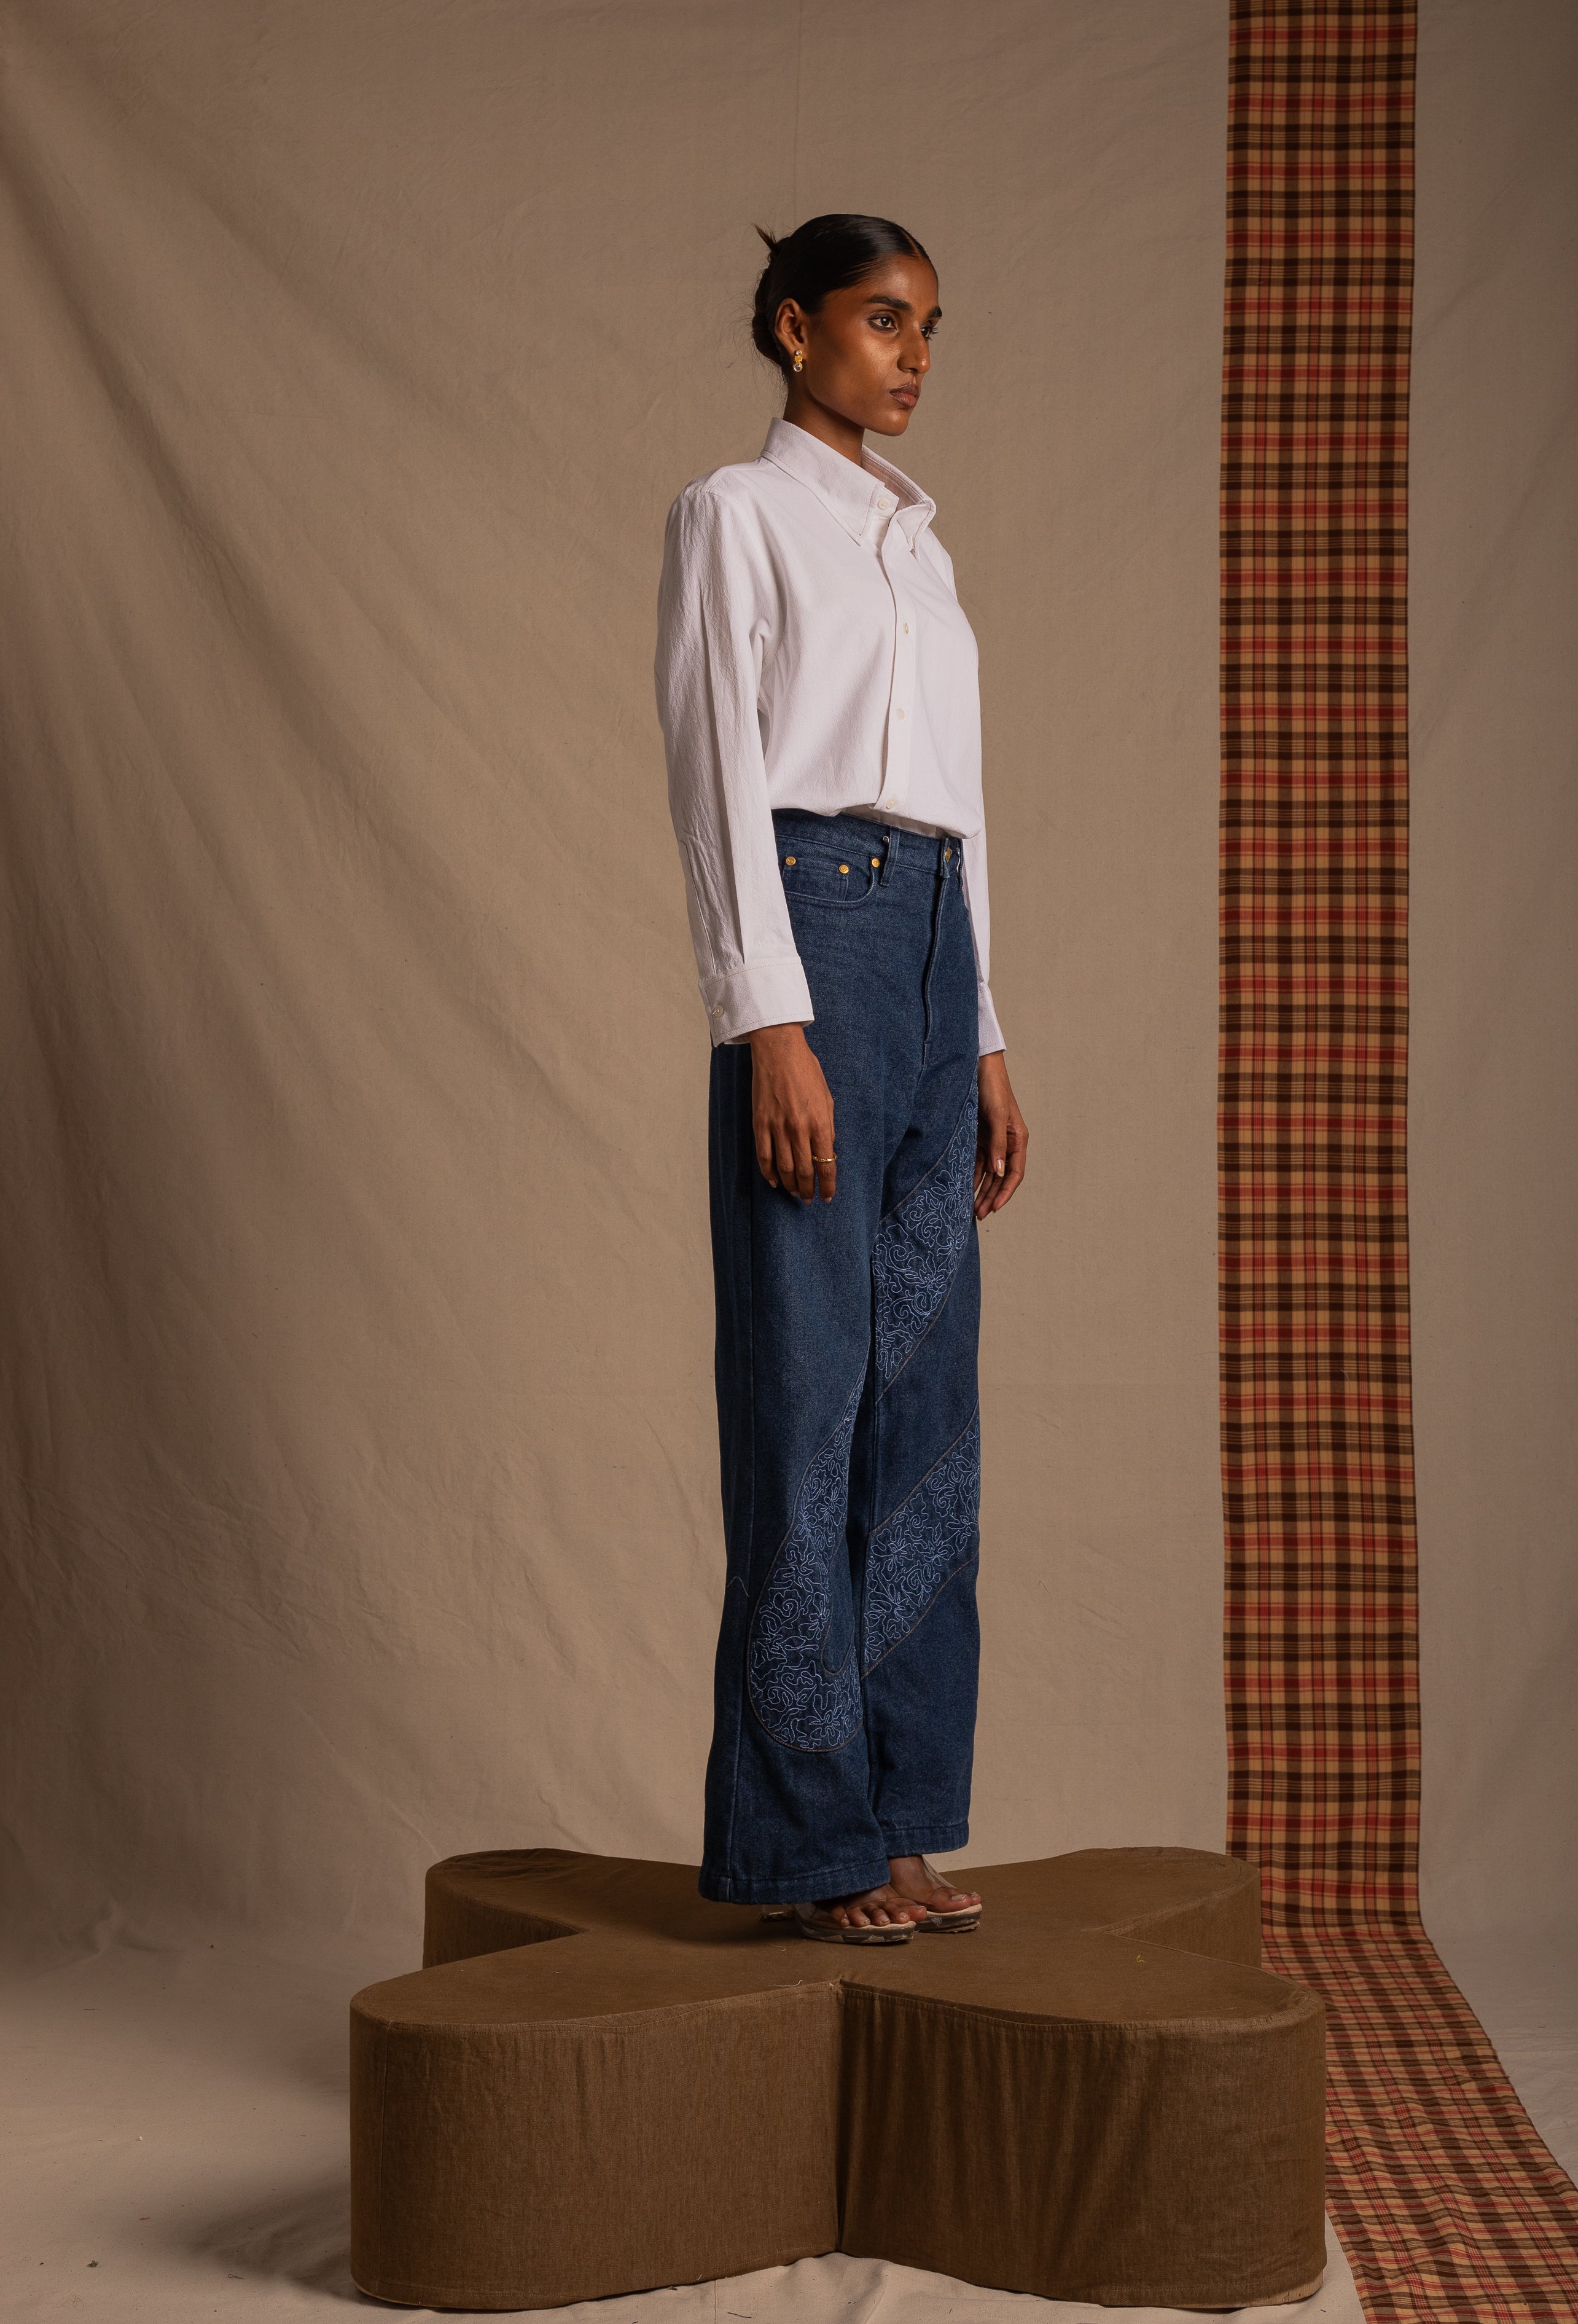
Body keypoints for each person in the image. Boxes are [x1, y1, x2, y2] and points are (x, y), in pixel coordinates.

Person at [654, 215, 1028, 1944]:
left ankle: (899, 1827)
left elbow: (958, 811)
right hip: (817, 931)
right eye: (886, 321)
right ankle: (806, 1840)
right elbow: (718, 772)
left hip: (937, 954)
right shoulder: (735, 519)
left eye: (931, 329)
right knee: (810, 1400)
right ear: (796, 326)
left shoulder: (922, 556)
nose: (915, 357)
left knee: (928, 1420)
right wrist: (767, 1019)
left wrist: (994, 1032)